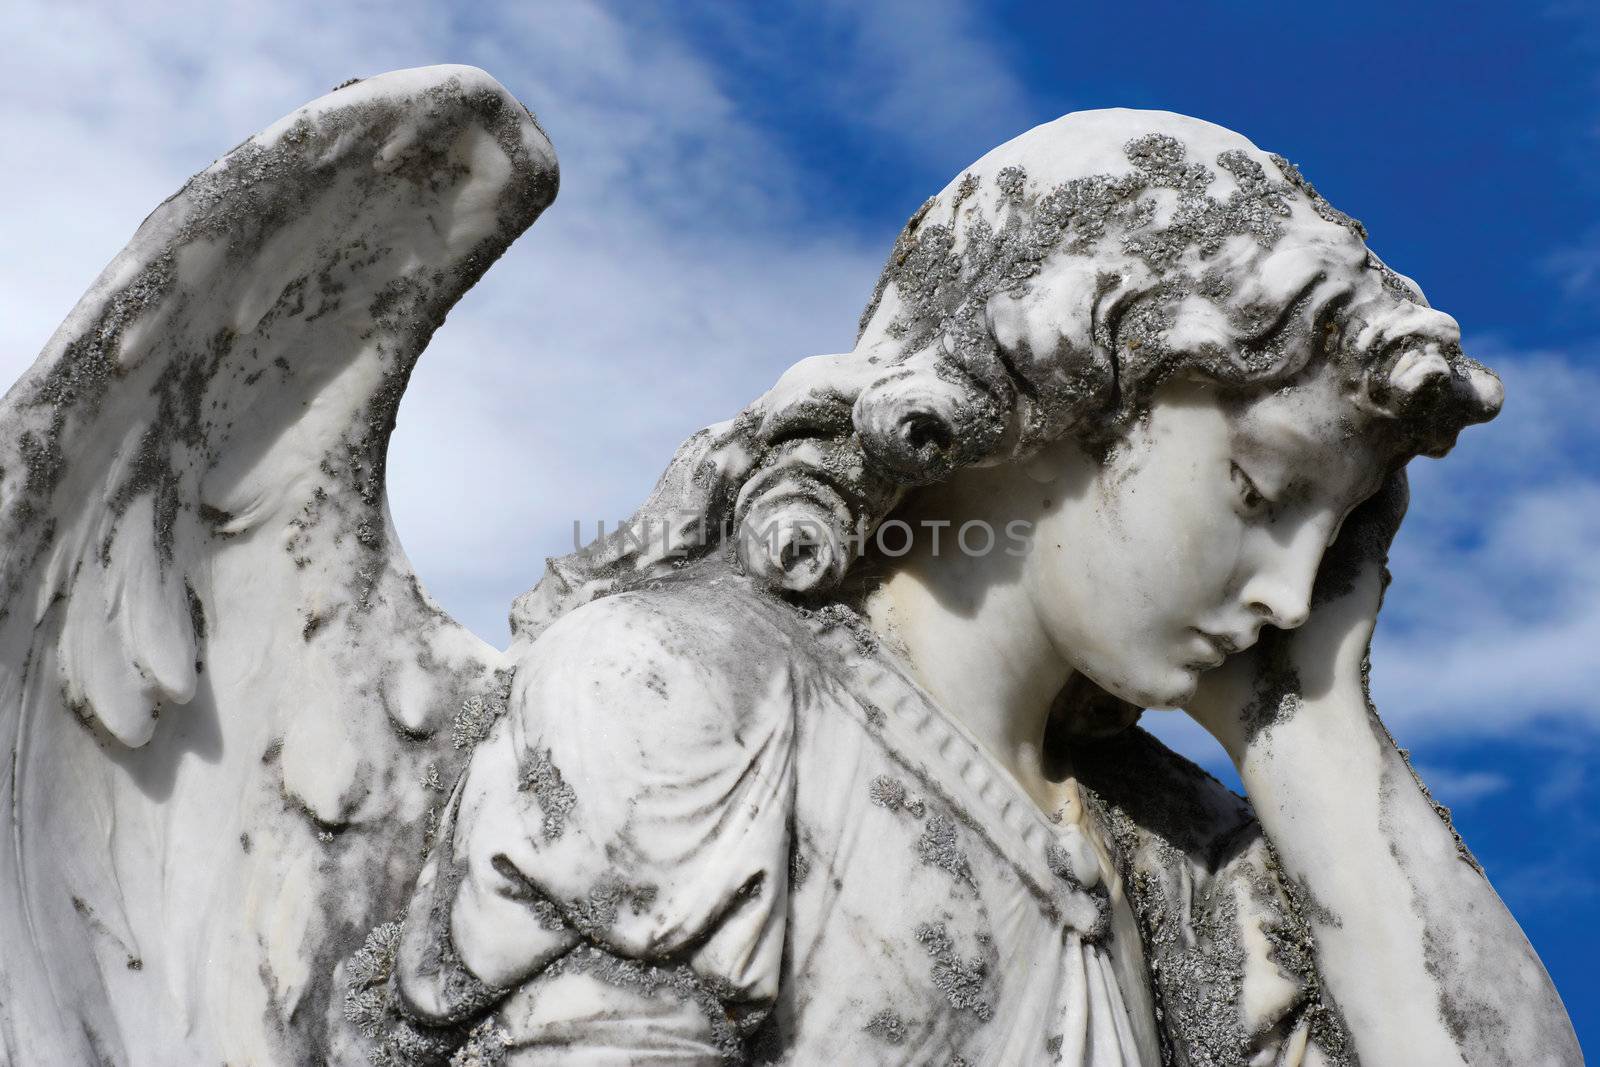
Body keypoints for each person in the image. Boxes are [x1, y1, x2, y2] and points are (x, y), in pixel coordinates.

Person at [374, 109, 1578, 1065]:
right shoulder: (687, 698)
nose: (1290, 591)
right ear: (1062, 397)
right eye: (1259, 493)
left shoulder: (1186, 867)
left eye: (1336, 541)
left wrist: (1311, 734)